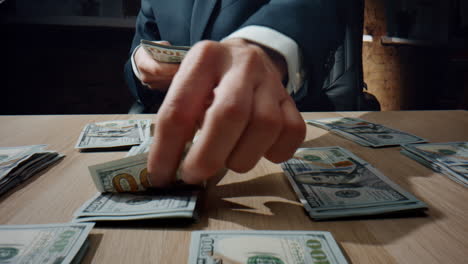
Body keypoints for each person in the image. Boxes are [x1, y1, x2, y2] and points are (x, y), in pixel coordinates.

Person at [124, 0, 344, 187]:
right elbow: (141, 46)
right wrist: (139, 64)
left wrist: (265, 49)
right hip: (179, 145)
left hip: (283, 148)